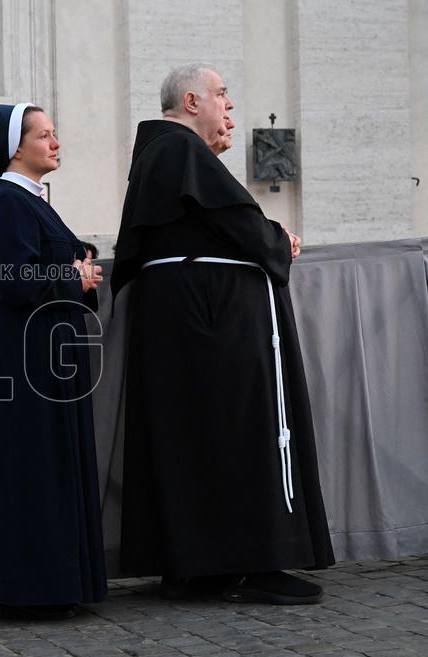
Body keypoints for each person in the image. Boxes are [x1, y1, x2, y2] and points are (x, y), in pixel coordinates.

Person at [112, 63, 333, 604]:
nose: (230, 107)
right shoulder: (181, 151)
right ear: (191, 101)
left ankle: (198, 564)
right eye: (222, 96)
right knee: (241, 428)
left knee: (196, 438)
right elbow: (241, 228)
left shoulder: (161, 154)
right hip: (211, 320)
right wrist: (277, 239)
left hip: (185, 318)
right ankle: (254, 561)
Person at [0, 103, 108, 620]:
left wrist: (74, 271)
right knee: (31, 466)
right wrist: (76, 278)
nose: (56, 143)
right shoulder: (7, 201)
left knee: (47, 463)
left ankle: (54, 582)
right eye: (46, 135)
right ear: (16, 146)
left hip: (40, 349)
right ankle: (32, 588)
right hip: (25, 356)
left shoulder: (29, 200)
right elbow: (15, 281)